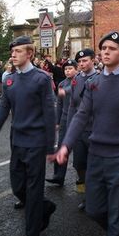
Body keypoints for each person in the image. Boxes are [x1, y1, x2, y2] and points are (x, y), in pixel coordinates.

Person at [56, 31, 119, 236]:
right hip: (97, 156)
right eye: (103, 49)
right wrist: (66, 145)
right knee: (94, 210)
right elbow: (81, 115)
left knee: (118, 219)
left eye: (111, 48)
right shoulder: (94, 82)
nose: (106, 52)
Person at [0, 36, 56, 236]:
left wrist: (51, 147)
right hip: (18, 142)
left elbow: (49, 113)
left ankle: (31, 234)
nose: (13, 55)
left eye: (18, 51)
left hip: (37, 144)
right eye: (12, 51)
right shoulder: (9, 80)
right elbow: (2, 111)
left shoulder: (41, 79)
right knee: (18, 187)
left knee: (33, 192)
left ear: (30, 53)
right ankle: (46, 207)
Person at [67, 48, 98, 210]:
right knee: (79, 164)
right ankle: (88, 194)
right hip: (80, 131)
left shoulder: (100, 78)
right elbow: (73, 105)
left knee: (95, 166)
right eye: (79, 62)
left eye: (85, 60)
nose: (81, 64)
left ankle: (94, 198)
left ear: (93, 60)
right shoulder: (76, 79)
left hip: (95, 130)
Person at [46, 59, 78, 187]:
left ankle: (82, 178)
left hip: (79, 119)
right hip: (65, 118)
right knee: (61, 147)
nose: (67, 71)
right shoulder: (62, 84)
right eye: (65, 69)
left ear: (76, 69)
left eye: (70, 68)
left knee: (80, 151)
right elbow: (59, 104)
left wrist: (67, 91)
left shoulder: (80, 81)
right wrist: (57, 121)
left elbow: (74, 88)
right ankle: (58, 176)